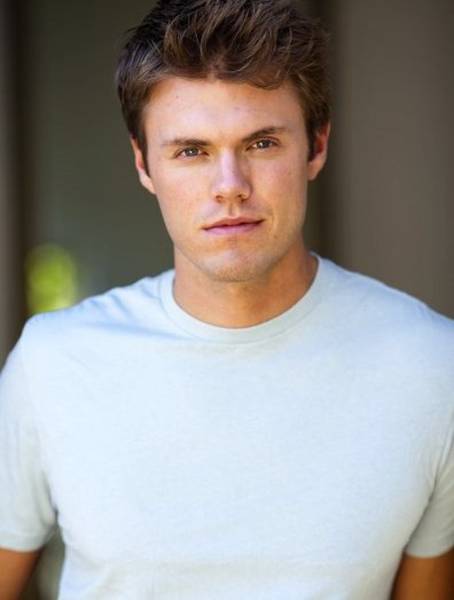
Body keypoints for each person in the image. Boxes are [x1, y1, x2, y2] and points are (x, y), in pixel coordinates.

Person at [1, 0, 453, 597]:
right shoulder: (53, 363)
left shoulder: (431, 365)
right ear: (144, 164)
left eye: (262, 143)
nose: (230, 188)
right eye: (191, 151)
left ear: (316, 145)